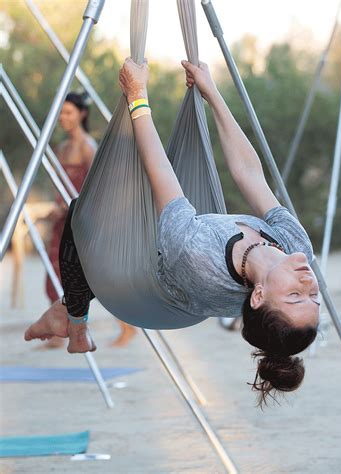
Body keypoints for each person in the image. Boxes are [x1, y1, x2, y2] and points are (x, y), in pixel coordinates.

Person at [25, 58, 320, 406]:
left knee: (85, 213)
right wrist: (211, 93)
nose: (309, 285)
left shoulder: (199, 256)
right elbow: (249, 175)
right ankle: (69, 315)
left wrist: (138, 96)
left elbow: (161, 175)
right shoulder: (296, 245)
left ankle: (74, 317)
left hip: (147, 291)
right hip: (184, 257)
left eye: (294, 297)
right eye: (314, 299)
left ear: (257, 297)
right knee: (117, 212)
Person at [44, 92, 136, 349]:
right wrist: (57, 207)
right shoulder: (61, 148)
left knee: (95, 275)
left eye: (69, 112)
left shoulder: (87, 147)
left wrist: (69, 208)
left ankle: (128, 325)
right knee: (54, 270)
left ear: (81, 114)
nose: (63, 118)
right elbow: (59, 186)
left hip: (82, 218)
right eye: (61, 113)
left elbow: (96, 185)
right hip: (62, 216)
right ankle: (58, 330)